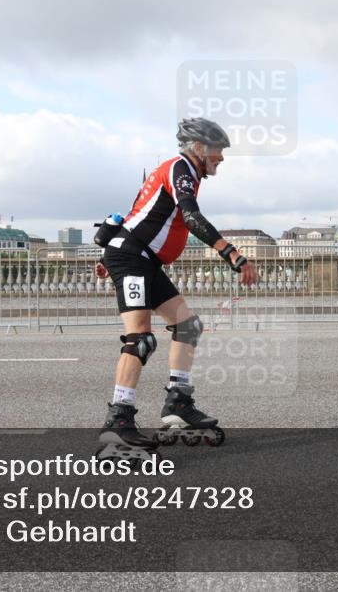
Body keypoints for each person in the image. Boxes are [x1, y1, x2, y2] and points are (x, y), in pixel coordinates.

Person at [94, 117, 258, 456]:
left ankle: (178, 403)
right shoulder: (181, 167)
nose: (222, 158)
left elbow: (136, 211)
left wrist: (106, 253)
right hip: (133, 257)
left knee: (188, 326)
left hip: (142, 258)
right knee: (141, 340)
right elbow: (191, 217)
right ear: (198, 147)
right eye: (218, 150)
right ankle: (118, 419)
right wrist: (232, 253)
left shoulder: (179, 171)